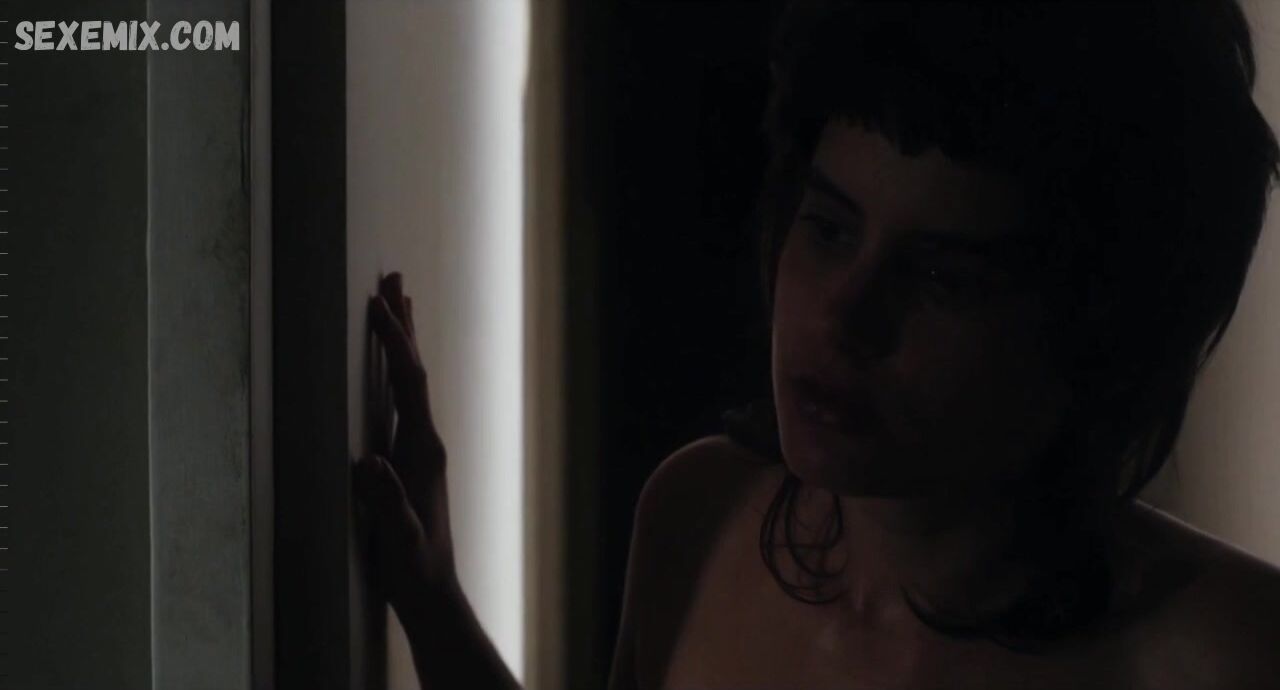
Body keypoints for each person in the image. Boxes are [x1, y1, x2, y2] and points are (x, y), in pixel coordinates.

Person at [353, 1, 1280, 687]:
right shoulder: (699, 518)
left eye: (940, 278)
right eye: (830, 229)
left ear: (1094, 334)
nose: (844, 315)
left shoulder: (1227, 654)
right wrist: (434, 604)